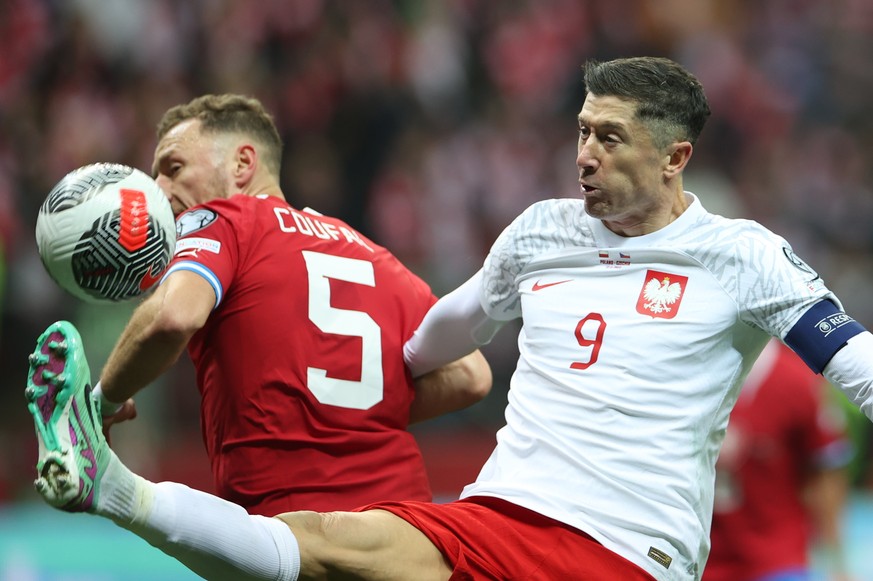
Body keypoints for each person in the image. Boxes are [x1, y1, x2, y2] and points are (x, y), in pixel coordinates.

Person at [26, 56, 873, 581]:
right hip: (493, 515)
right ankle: (114, 487)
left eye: (608, 138)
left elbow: (852, 362)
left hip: (621, 547)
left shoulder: (739, 253)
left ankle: (115, 485)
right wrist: (322, 390)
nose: (582, 154)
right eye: (580, 131)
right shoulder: (539, 233)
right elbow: (437, 342)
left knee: (322, 548)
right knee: (316, 542)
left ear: (674, 156)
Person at [81, 93, 492, 516]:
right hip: (405, 533)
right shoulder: (371, 254)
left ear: (243, 164)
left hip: (292, 535)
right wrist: (348, 413)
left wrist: (99, 406)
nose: (159, 190)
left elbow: (172, 317)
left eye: (173, 168)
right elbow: (471, 375)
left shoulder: (225, 221)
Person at [704, 339, 855, 581]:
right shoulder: (681, 377)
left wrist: (837, 563)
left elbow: (825, 474)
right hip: (694, 556)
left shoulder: (799, 380)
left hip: (776, 559)